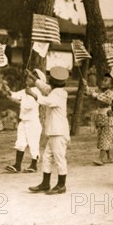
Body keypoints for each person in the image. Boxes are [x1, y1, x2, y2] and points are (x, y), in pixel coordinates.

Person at [26, 67, 70, 195]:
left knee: (59, 158)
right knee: (46, 158)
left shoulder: (59, 94)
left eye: (50, 78)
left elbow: (48, 101)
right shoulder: (55, 90)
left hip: (59, 132)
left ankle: (61, 185)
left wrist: (33, 95)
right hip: (54, 132)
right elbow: (44, 87)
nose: (49, 80)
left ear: (55, 82)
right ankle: (45, 184)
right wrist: (34, 79)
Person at [1, 69, 45, 173]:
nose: (27, 79)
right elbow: (15, 94)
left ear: (36, 81)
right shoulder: (26, 90)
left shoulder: (37, 92)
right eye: (28, 77)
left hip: (32, 122)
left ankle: (34, 165)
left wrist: (17, 101)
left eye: (31, 78)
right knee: (20, 143)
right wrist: (7, 90)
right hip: (23, 122)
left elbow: (29, 106)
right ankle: (17, 165)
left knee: (33, 143)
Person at [84, 73, 113, 165]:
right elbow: (91, 93)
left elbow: (102, 98)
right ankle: (109, 157)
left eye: (106, 80)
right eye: (103, 79)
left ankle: (100, 158)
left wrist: (92, 93)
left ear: (110, 85)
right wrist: (86, 85)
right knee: (103, 137)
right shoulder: (100, 92)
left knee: (105, 138)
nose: (103, 81)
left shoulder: (110, 93)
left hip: (107, 118)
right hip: (101, 117)